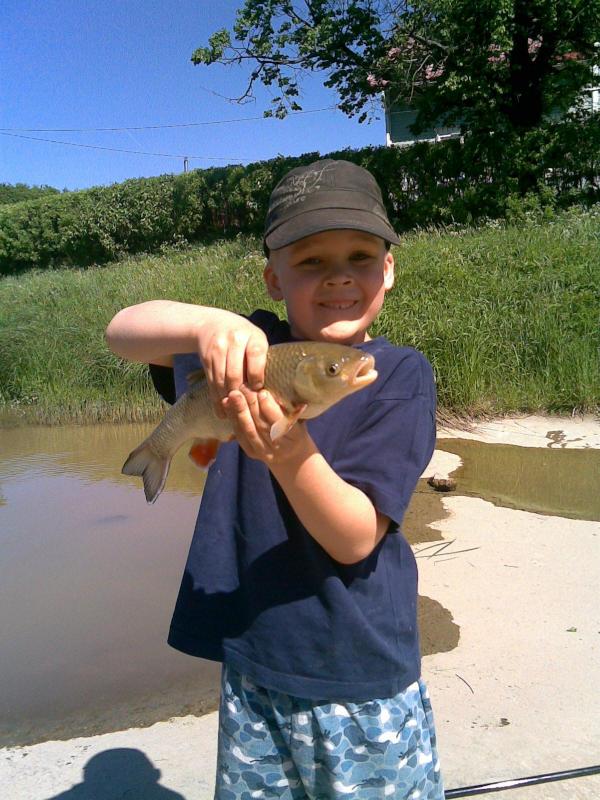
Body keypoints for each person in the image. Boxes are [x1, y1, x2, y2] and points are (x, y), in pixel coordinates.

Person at [105, 159, 443, 799]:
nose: (339, 275)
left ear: (389, 270)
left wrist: (288, 450)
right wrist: (210, 326)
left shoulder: (400, 377)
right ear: (274, 277)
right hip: (254, 660)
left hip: (360, 672)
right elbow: (122, 331)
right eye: (311, 261)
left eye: (361, 256)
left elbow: (354, 539)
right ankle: (158, 451)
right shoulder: (247, 348)